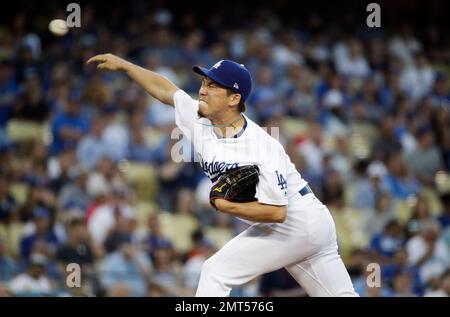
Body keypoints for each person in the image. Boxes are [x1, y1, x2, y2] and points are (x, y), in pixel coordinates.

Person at [87, 53, 358, 297]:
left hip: (297, 221)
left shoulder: (262, 146)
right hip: (309, 226)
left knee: (215, 272)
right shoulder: (198, 117)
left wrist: (229, 205)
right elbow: (166, 90)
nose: (203, 90)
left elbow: (277, 212)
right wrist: (126, 67)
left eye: (213, 85)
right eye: (204, 83)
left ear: (234, 98)